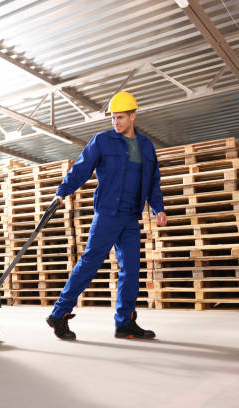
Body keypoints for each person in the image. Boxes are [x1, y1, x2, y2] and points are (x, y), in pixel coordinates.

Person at [46, 91, 166, 341]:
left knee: (132, 270)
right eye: (113, 118)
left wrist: (158, 207)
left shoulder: (144, 146)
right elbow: (81, 169)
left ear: (133, 116)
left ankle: (125, 323)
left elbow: (153, 180)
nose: (116, 122)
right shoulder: (102, 141)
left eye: (121, 117)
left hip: (130, 217)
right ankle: (59, 313)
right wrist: (62, 192)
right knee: (90, 263)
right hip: (107, 214)